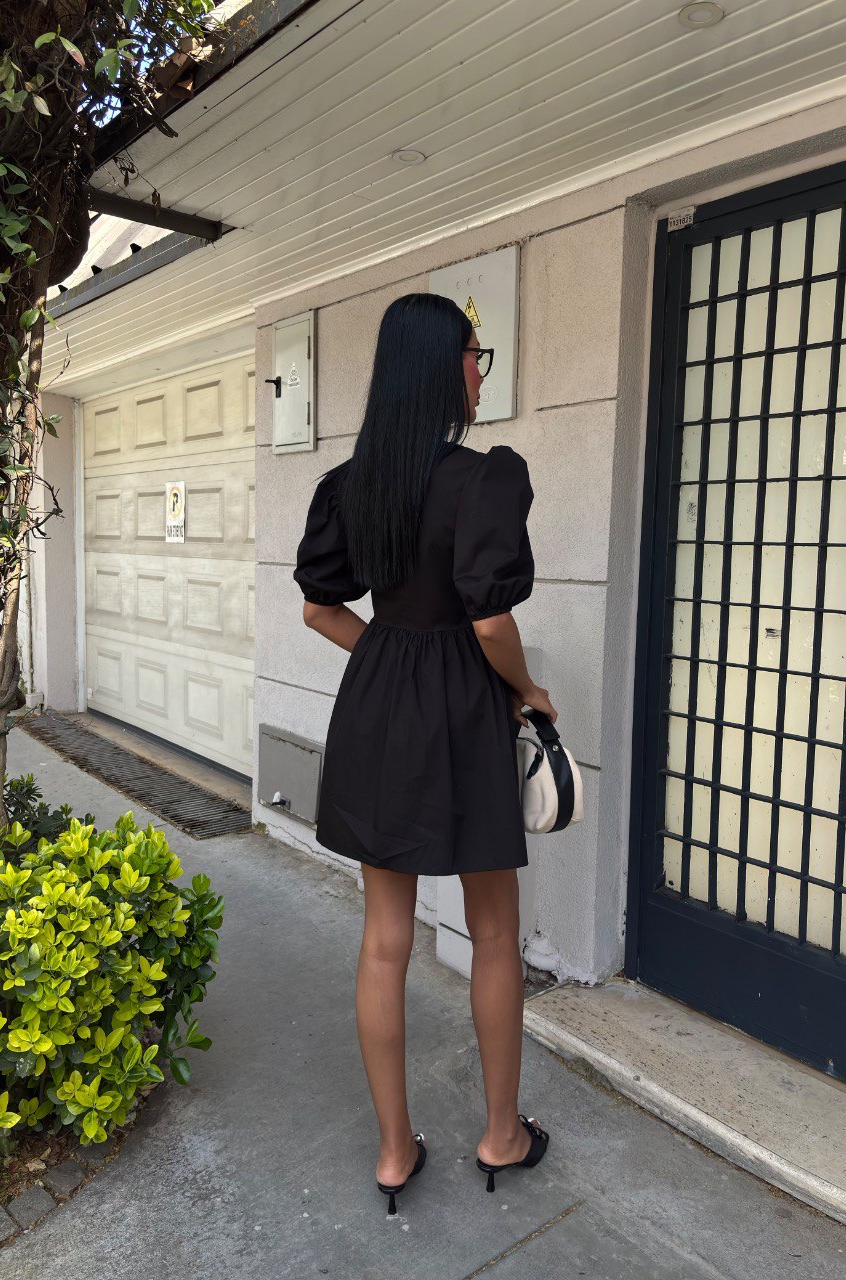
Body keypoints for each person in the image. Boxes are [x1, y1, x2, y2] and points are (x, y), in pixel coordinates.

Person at [293, 292, 557, 1215]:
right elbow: (489, 621)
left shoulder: (352, 485)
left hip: (379, 710)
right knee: (492, 930)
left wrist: (391, 660)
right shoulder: (484, 480)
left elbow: (321, 607)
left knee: (383, 941)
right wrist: (525, 690)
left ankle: (396, 1151)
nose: (482, 370)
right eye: (476, 354)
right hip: (465, 712)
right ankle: (500, 1133)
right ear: (445, 366)